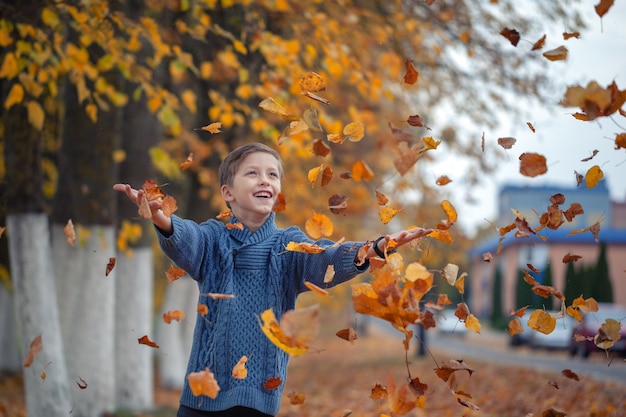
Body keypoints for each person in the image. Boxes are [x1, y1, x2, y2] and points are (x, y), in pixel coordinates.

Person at [113, 142, 433, 417]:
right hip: (201, 396)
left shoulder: (288, 246)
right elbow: (187, 240)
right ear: (228, 192)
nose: (264, 179)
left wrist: (373, 248)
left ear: (278, 190)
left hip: (259, 398)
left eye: (272, 174)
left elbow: (325, 258)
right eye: (252, 173)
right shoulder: (213, 239)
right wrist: (160, 218)